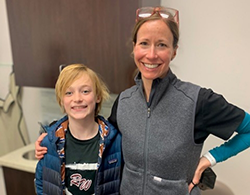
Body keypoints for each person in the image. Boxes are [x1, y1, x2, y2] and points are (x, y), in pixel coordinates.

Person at [35, 7, 250, 195]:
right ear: (134, 48)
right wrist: (51, 140)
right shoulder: (125, 102)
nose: (151, 54)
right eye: (144, 43)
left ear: (174, 51)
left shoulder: (197, 101)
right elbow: (100, 137)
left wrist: (208, 160)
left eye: (162, 45)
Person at [35, 64, 123, 195]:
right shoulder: (50, 143)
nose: (77, 99)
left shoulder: (116, 142)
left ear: (98, 96)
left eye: (85, 91)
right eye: (69, 93)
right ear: (61, 100)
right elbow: (42, 185)